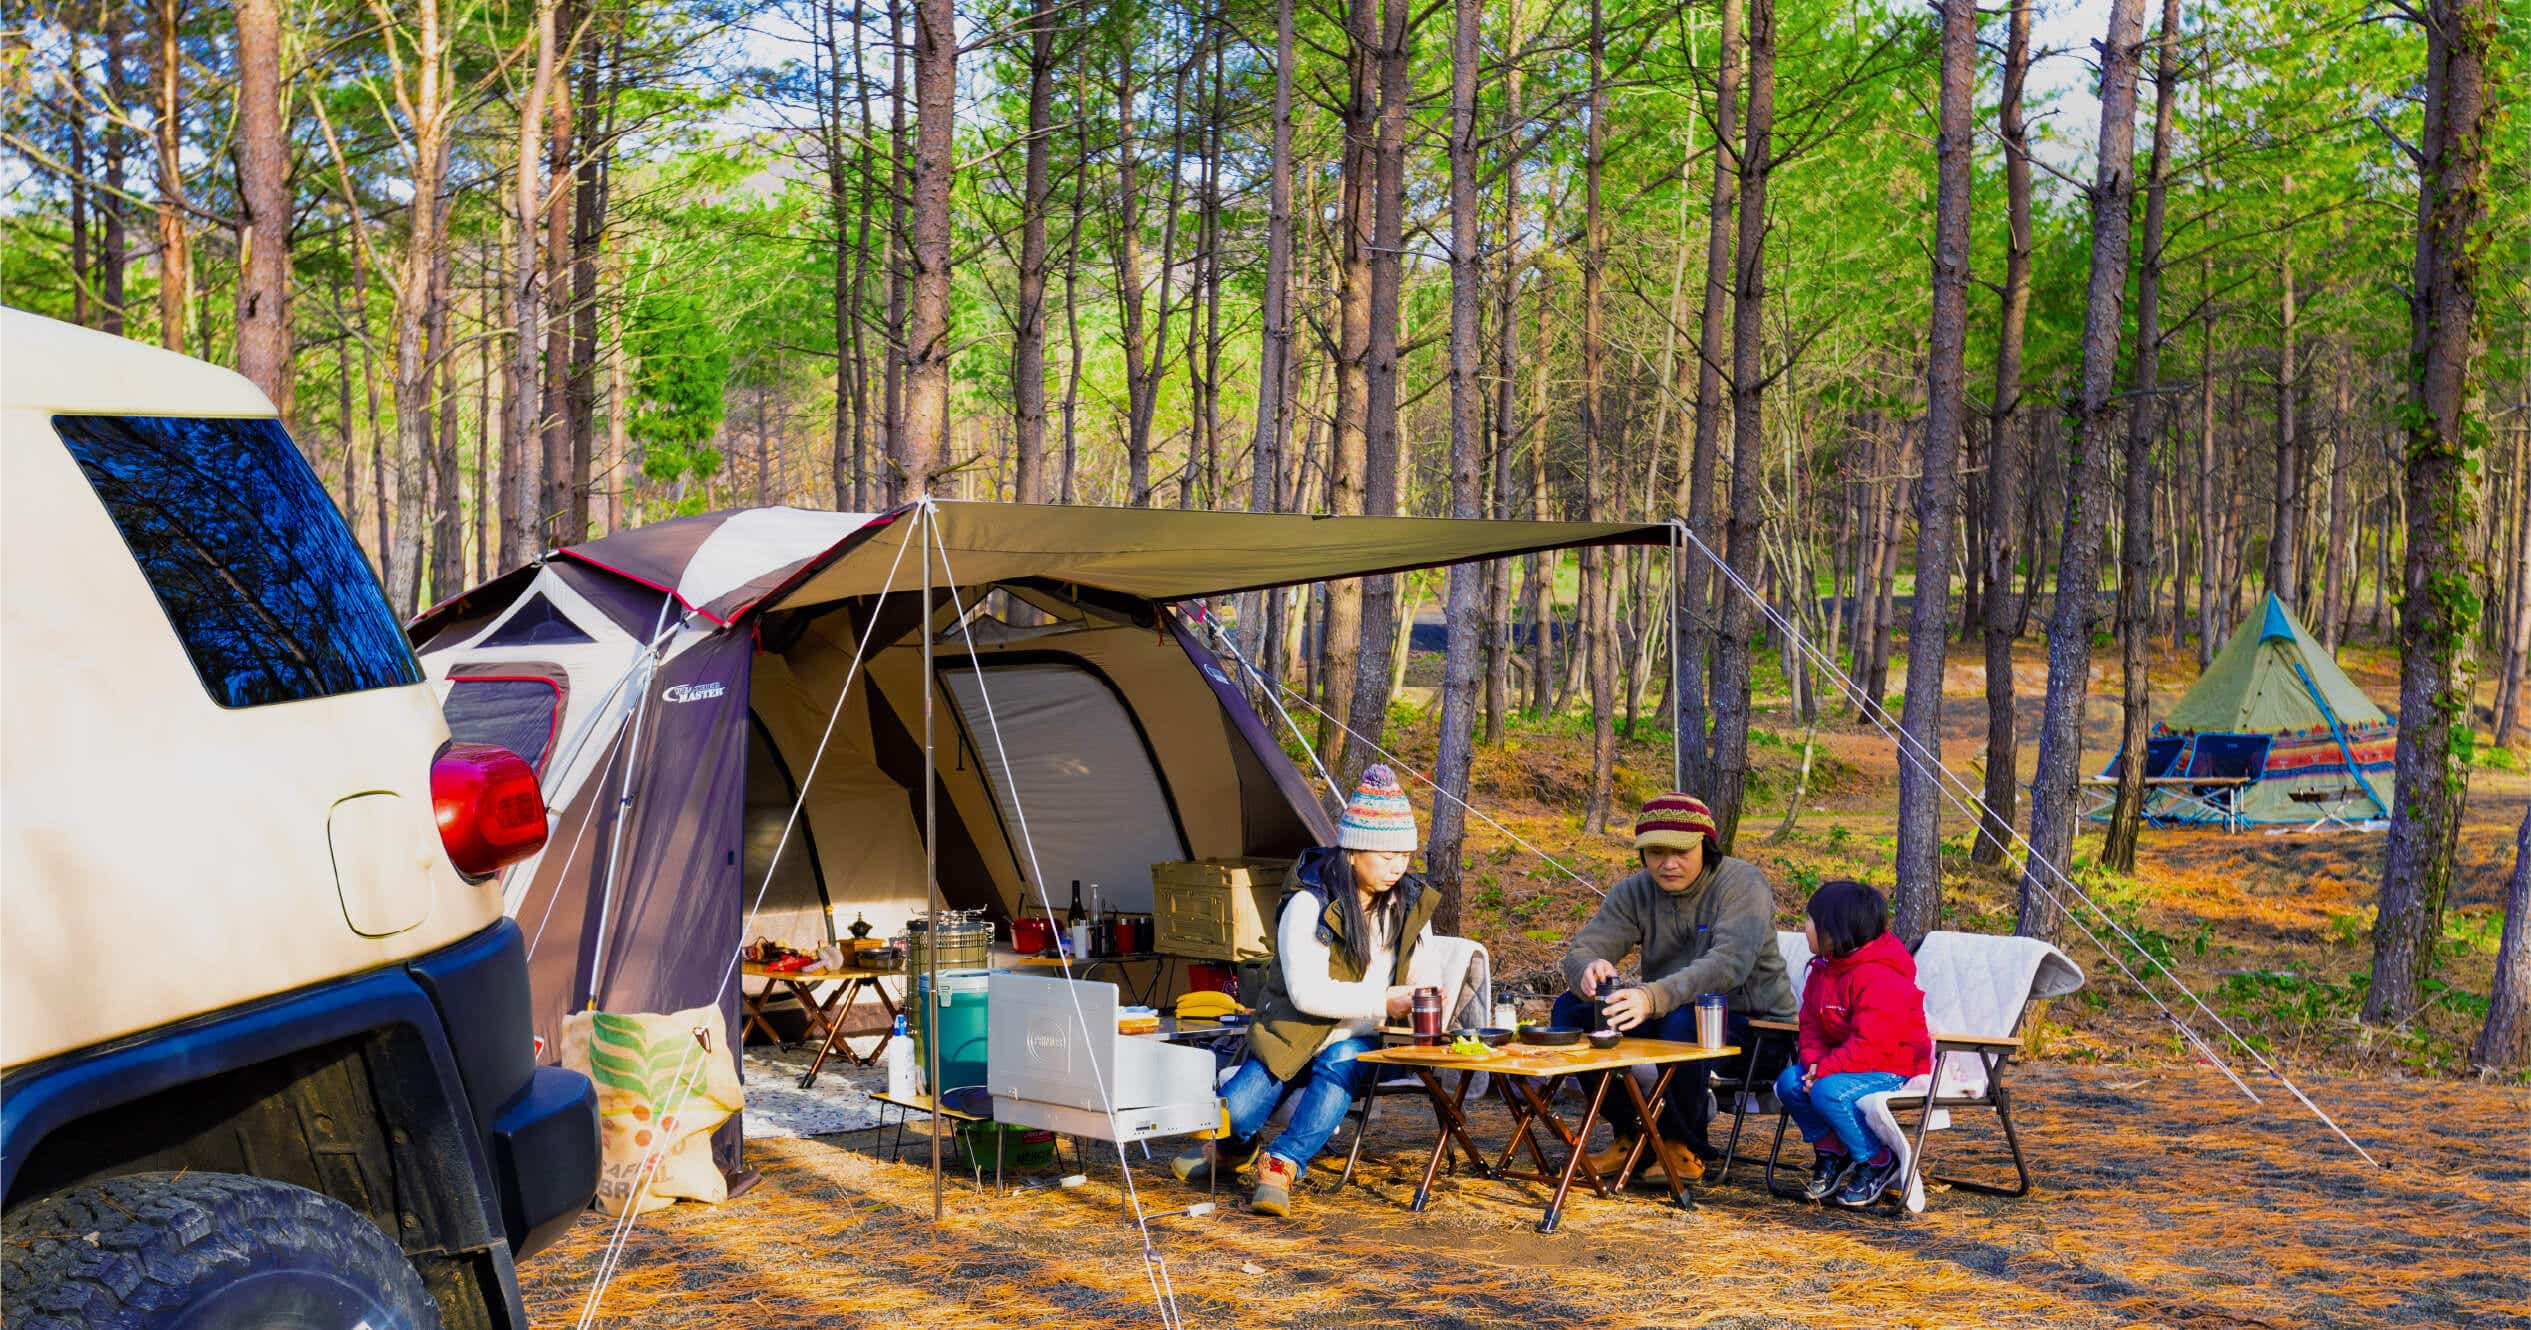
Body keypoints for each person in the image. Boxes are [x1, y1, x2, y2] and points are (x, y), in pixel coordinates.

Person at [1170, 764, 1438, 1217]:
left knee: (1341, 1061)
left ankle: (1283, 1163)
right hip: (1294, 1030)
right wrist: (1381, 1000)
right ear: (1353, 852)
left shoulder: (1408, 904)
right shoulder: (1310, 902)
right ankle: (1235, 1151)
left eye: (1404, 855)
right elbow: (1307, 994)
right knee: (1235, 1115)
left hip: (1361, 1035)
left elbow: (1421, 974)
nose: (1397, 867)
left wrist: (1418, 999)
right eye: (1384, 855)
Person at [1557, 792, 1796, 1182]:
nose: (1667, 864)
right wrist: (1588, 968)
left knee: (1686, 1020)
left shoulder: (1742, 884)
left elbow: (1726, 967)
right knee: (1574, 1010)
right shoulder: (1634, 892)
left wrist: (1651, 998)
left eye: (1680, 851)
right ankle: (1632, 1132)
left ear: (1706, 844)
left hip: (1757, 1030)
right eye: (1655, 852)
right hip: (1670, 1013)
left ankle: (1683, 1144)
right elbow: (1584, 948)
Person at [1776, 879, 1931, 1208]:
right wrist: (1814, 1061)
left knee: (1826, 1090)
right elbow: (1811, 1024)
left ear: (1836, 930)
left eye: (1810, 921)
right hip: (1843, 1063)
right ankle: (1832, 1150)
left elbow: (1873, 1043)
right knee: (1789, 1082)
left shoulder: (1880, 976)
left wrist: (1824, 1071)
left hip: (1891, 1065)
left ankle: (1878, 1160)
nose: (1804, 928)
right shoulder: (1825, 968)